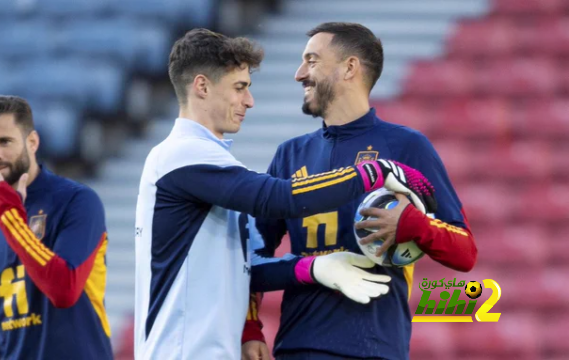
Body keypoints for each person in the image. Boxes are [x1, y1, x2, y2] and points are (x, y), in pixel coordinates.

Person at [134, 28, 437, 360]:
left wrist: (312, 269)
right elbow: (280, 197)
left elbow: (249, 264)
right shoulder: (184, 155)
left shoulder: (211, 161)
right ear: (202, 86)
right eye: (240, 88)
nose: (249, 101)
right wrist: (374, 172)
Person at [241, 22, 478, 360]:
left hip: (376, 348)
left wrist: (412, 224)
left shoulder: (407, 146)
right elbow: (250, 257)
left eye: (311, 60)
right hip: (297, 347)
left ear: (349, 67)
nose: (298, 74)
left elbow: (465, 252)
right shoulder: (288, 154)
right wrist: (250, 328)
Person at [0, 95, 113, 360]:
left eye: (4, 141)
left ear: (32, 142)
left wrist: (9, 215)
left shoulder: (77, 201)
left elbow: (64, 289)